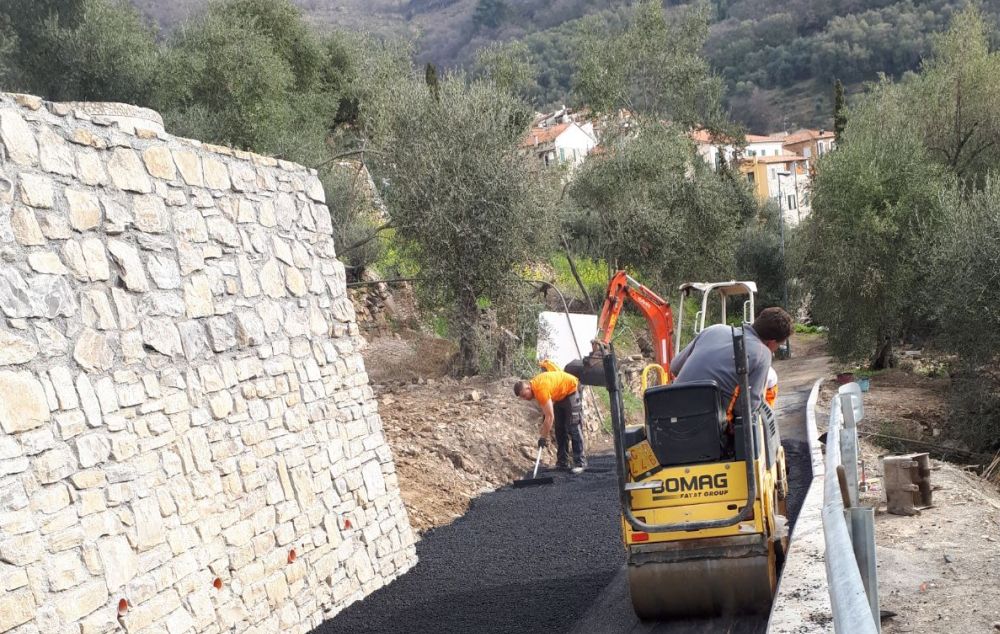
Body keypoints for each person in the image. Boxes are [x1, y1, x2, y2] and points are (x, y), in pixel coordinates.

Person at [669, 307, 793, 414]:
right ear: (771, 342)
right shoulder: (762, 353)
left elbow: (674, 367)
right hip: (708, 429)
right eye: (777, 346)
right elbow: (748, 408)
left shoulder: (714, 329)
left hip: (666, 414)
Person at [514, 370, 587, 473]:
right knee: (559, 428)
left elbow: (549, 417)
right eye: (521, 397)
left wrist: (543, 438)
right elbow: (546, 413)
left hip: (571, 389)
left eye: (524, 395)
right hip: (559, 396)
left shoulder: (540, 389)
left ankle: (580, 463)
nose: (524, 398)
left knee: (573, 426)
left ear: (527, 387)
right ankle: (562, 463)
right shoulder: (536, 388)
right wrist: (544, 428)